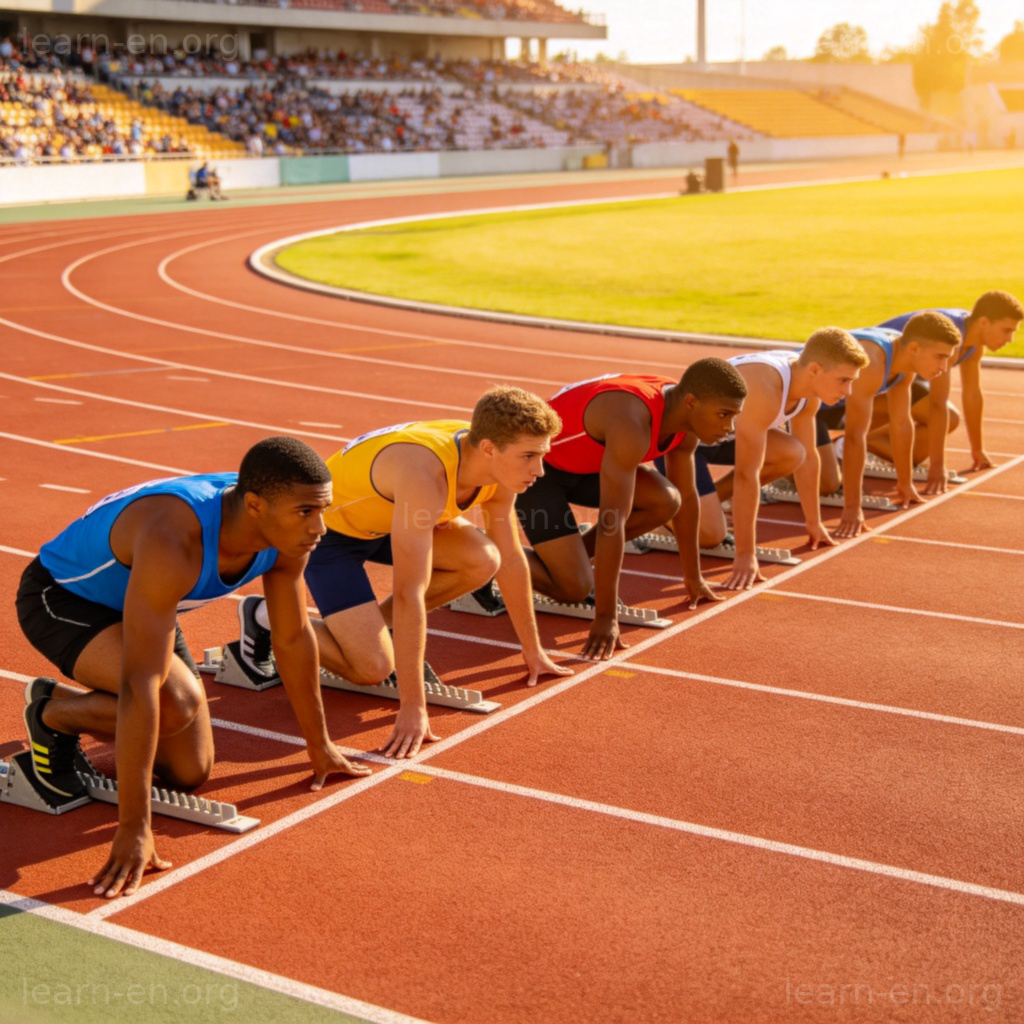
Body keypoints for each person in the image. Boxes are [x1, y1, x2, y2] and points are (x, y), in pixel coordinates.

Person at [15, 437, 370, 899]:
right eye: (307, 512)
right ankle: (51, 717)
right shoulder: (175, 537)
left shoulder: (289, 533)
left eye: (323, 510)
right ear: (256, 506)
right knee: (173, 701)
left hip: (152, 603)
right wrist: (134, 827)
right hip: (64, 601)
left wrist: (319, 745)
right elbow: (141, 681)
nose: (320, 526)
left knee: (189, 773)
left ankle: (65, 704)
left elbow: (292, 636)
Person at [239, 386, 571, 761]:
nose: (539, 470)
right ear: (490, 448)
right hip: (329, 536)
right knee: (373, 668)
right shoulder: (424, 473)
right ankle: (265, 617)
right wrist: (412, 706)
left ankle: (365, 630)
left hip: (390, 519)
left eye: (542, 455)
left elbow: (511, 558)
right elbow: (410, 591)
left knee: (485, 558)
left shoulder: (496, 466)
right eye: (529, 456)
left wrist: (534, 650)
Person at [513, 360, 748, 661]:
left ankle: (570, 561)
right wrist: (606, 617)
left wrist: (693, 577)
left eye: (734, 417)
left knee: (667, 500)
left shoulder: (686, 420)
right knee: (574, 588)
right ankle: (492, 552)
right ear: (691, 402)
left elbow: (687, 499)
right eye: (724, 415)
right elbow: (613, 522)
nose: (728, 428)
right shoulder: (631, 422)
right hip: (537, 471)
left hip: (588, 465)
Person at [696, 328, 869, 590]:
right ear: (814, 369)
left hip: (725, 437)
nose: (849, 390)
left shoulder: (808, 391)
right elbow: (746, 474)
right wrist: (745, 554)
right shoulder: (763, 388)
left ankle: (706, 505)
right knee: (712, 535)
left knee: (795, 453)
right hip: (686, 445)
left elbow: (810, 458)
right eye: (843, 380)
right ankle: (675, 516)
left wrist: (814, 523)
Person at [816, 313, 962, 538]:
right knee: (828, 483)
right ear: (914, 347)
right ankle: (784, 467)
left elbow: (902, 423)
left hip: (828, 408)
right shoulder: (872, 362)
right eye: (940, 357)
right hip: (794, 407)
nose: (944, 367)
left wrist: (905, 483)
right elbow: (855, 436)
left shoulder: (905, 360)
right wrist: (853, 508)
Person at [876, 291, 1023, 488]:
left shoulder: (973, 343)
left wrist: (977, 449)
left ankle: (858, 444)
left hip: (899, 380)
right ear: (984, 322)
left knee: (920, 450)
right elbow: (937, 404)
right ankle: (850, 438)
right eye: (1006, 330)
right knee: (946, 416)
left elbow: (972, 394)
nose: (1010, 338)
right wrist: (938, 466)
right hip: (869, 376)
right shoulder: (951, 338)